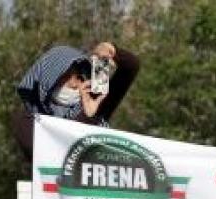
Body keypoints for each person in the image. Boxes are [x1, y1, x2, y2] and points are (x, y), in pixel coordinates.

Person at [11, 42, 140, 161]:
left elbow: (131, 67)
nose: (74, 83)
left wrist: (110, 50)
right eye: (65, 76)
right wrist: (86, 118)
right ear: (48, 78)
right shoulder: (28, 121)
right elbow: (53, 154)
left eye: (79, 76)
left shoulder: (95, 102)